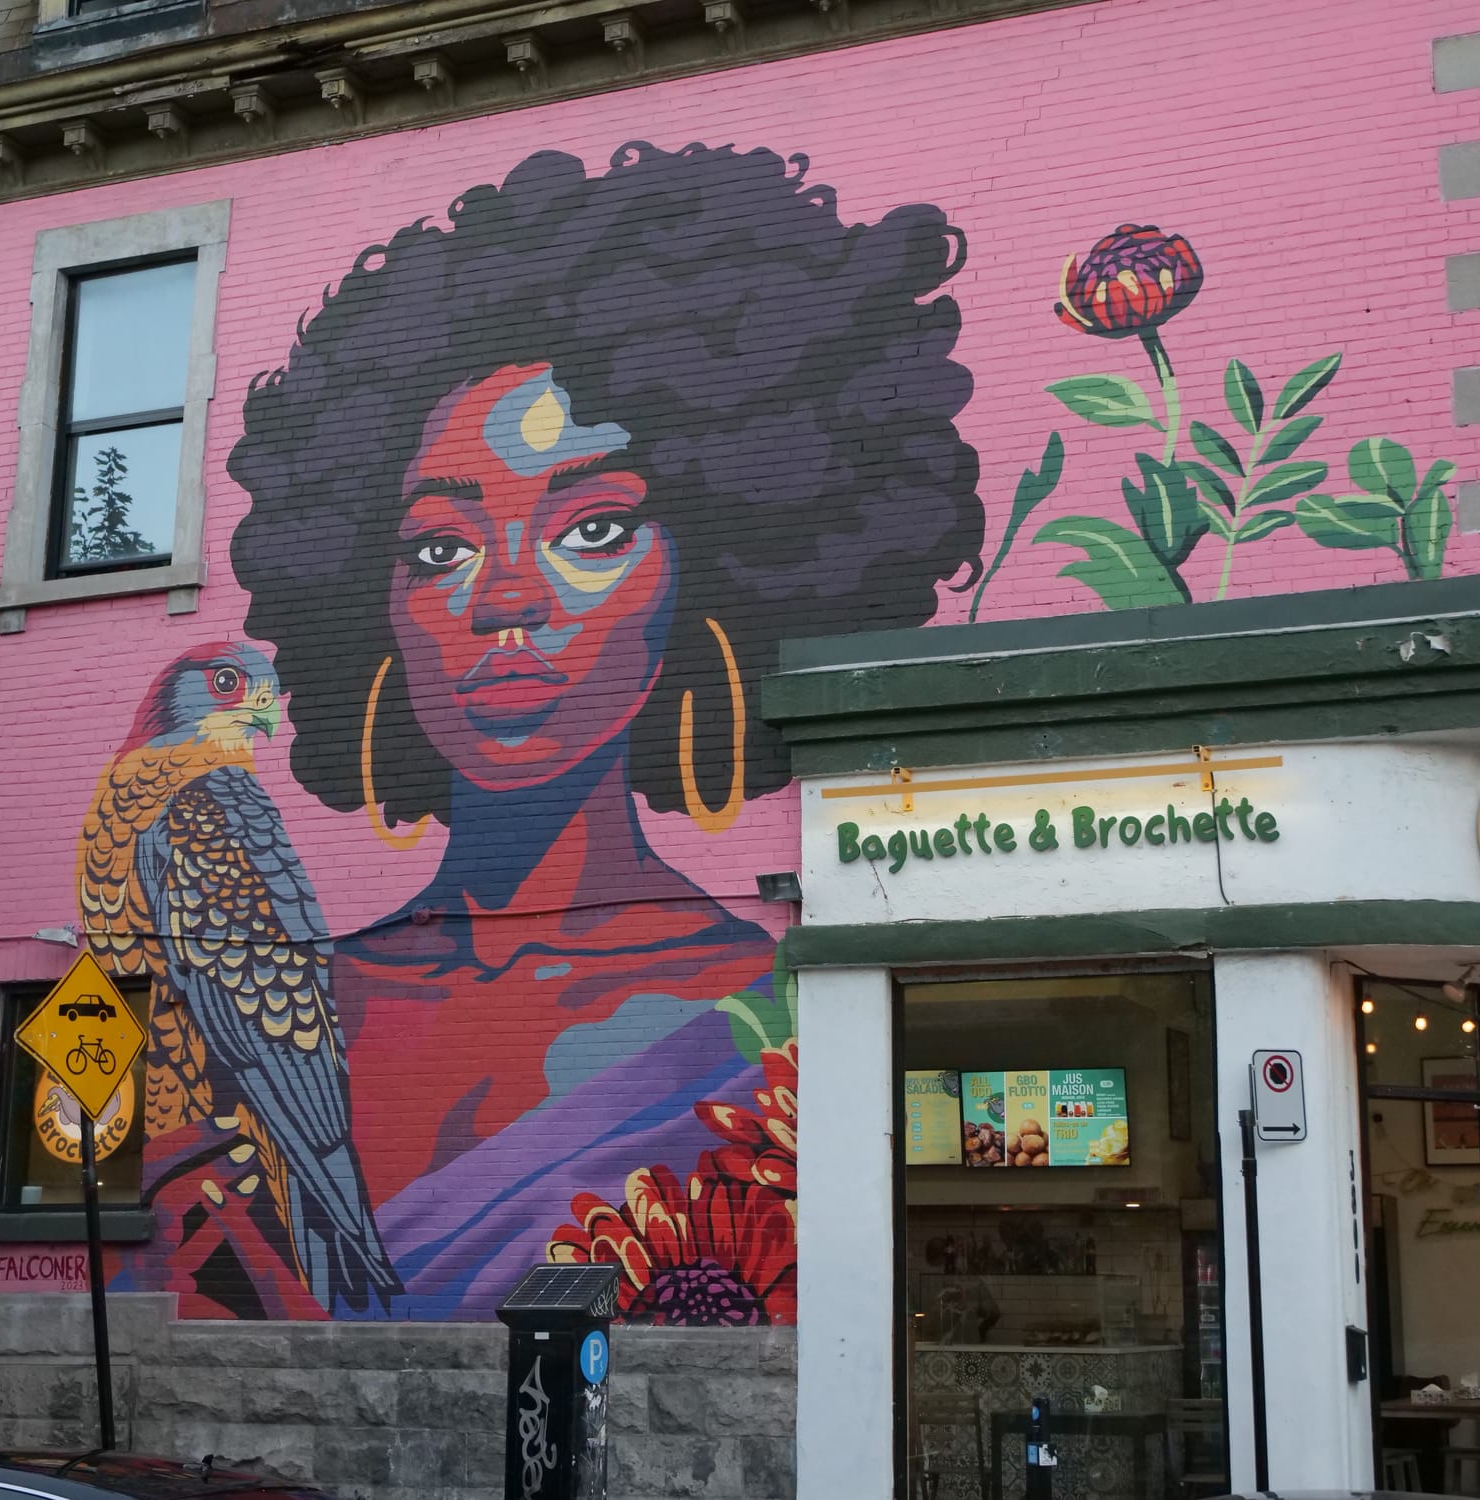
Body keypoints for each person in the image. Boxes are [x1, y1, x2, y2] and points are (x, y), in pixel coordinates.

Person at [124, 141, 986, 1321]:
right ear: (372, 603)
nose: (505, 599)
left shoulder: (776, 1025)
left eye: (592, 531)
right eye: (440, 547)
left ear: (714, 571)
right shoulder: (265, 1012)